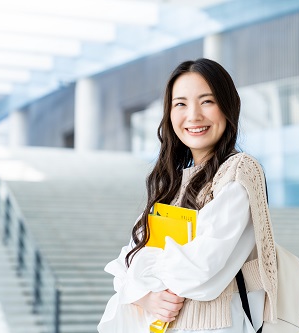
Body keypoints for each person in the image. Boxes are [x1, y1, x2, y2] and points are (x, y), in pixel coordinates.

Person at [98, 58, 277, 333]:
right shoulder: (171, 185)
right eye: (180, 103)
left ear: (228, 108)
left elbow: (199, 270)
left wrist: (141, 273)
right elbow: (123, 262)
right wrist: (145, 296)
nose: (193, 115)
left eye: (207, 101)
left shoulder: (239, 171)